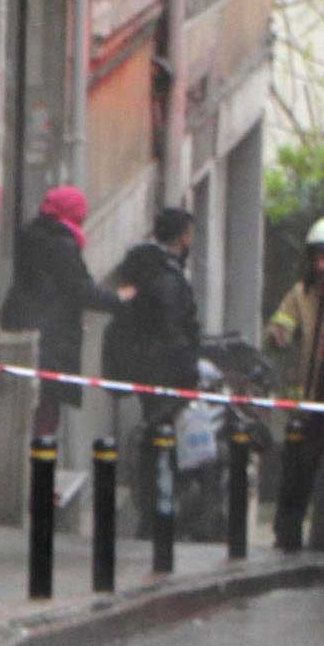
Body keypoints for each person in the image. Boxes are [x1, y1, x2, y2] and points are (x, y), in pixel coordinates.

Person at [0, 183, 130, 439]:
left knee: (31, 405)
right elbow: (81, 290)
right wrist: (117, 298)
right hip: (52, 337)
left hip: (24, 326)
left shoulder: (32, 235)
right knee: (47, 411)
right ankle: (40, 470)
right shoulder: (62, 246)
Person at [102, 206, 202, 532]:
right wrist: (187, 371)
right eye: (189, 233)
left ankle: (153, 509)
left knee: (155, 435)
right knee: (161, 439)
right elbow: (174, 329)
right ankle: (157, 514)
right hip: (163, 371)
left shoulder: (144, 268)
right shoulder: (167, 277)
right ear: (183, 236)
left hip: (144, 366)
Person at [267, 219, 324, 551]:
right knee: (296, 471)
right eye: (316, 257)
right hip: (306, 402)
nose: (321, 265)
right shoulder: (300, 295)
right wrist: (277, 335)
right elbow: (281, 325)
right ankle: (288, 535)